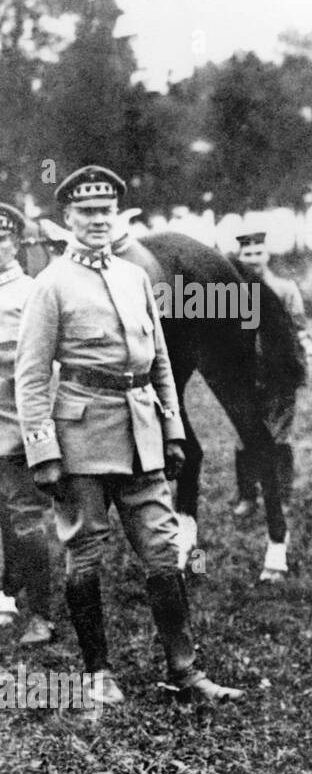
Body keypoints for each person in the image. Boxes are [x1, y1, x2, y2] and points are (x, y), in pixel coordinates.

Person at [15, 165, 242, 707]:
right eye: (86, 213)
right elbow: (29, 376)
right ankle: (97, 674)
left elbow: (160, 361)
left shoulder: (134, 276)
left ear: (116, 217)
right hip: (82, 439)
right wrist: (43, 452)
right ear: (68, 219)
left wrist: (171, 428)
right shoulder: (50, 285)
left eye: (105, 212)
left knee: (164, 552)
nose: (97, 221)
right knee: (86, 555)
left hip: (142, 435)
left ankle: (183, 671)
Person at [230, 224, 312, 519]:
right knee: (245, 436)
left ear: (267, 254)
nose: (253, 257)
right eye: (247, 252)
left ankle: (281, 497)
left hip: (280, 374)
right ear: (239, 256)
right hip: (244, 374)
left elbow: (300, 328)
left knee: (280, 437)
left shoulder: (285, 289)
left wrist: (303, 362)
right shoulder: (230, 291)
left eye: (258, 251)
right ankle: (248, 496)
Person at [0, 202, 54, 645]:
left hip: (17, 424)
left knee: (25, 520)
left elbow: (46, 366)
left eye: (1, 239)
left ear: (16, 242)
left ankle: (41, 612)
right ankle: (6, 594)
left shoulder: (34, 292)